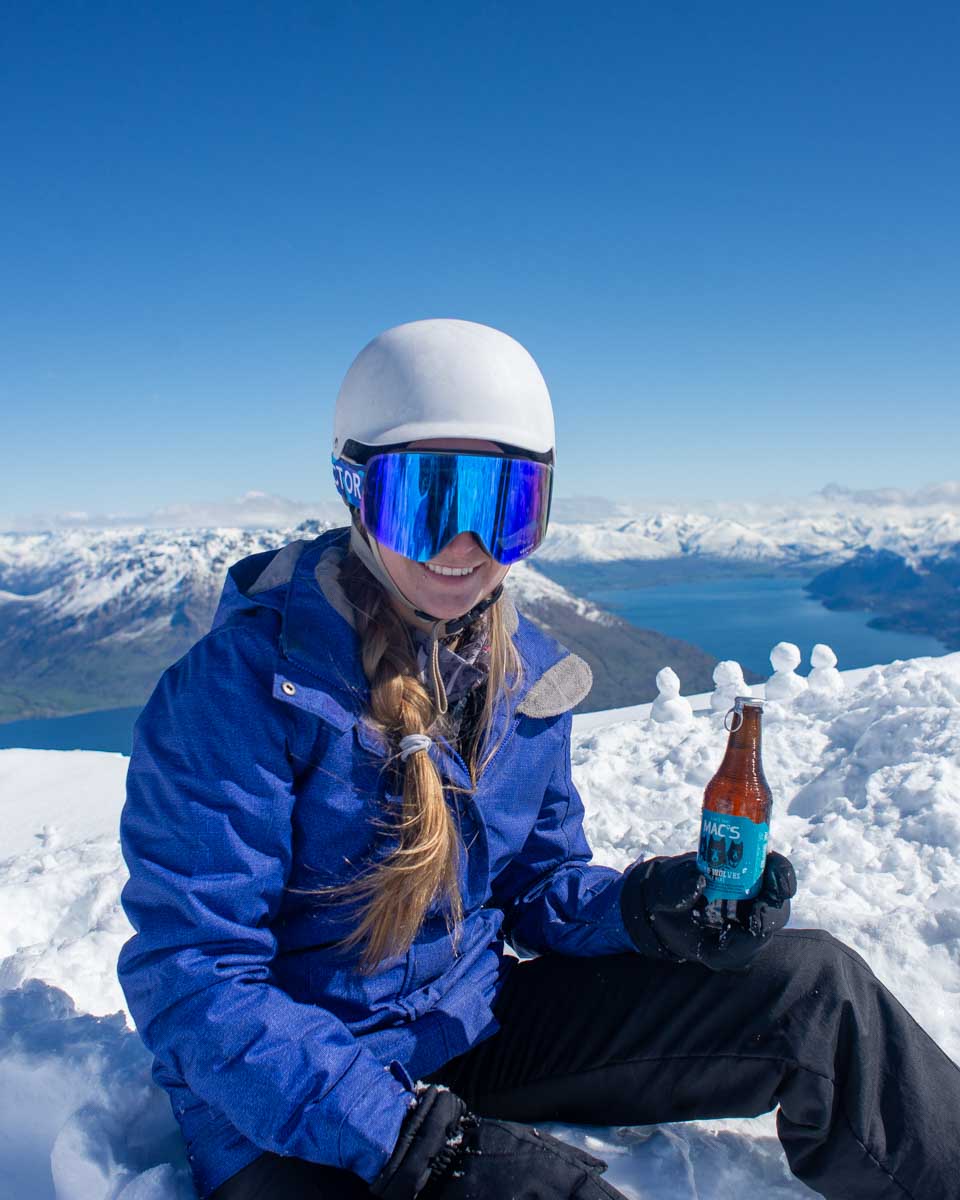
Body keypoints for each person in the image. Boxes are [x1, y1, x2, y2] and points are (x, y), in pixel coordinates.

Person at [118, 318, 960, 1200]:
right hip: (294, 1107)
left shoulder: (522, 672)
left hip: (470, 1028)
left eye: (504, 508)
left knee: (817, 991)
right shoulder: (240, 690)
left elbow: (538, 886)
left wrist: (649, 908)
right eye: (426, 500)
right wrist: (416, 1144)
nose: (464, 546)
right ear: (355, 491)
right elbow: (196, 980)